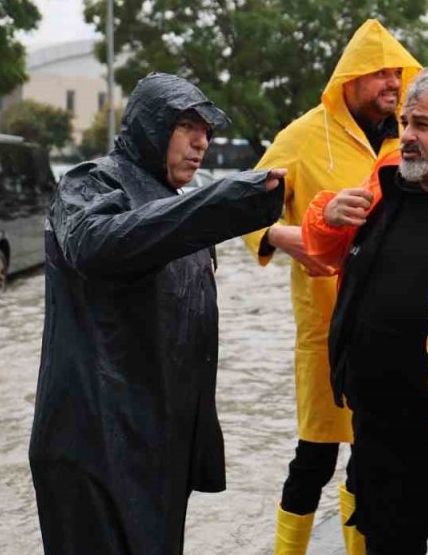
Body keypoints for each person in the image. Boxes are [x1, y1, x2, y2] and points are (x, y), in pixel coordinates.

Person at [29, 73, 286, 555]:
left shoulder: (173, 201)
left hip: (155, 446)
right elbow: (96, 244)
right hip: (92, 448)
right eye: (186, 126)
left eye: (206, 131)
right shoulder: (89, 182)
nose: (201, 142)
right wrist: (224, 203)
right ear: (150, 125)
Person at [242, 19, 423, 555]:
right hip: (326, 326)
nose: (392, 83)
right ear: (349, 79)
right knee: (315, 456)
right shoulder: (300, 137)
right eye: (380, 74)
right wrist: (280, 235)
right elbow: (245, 206)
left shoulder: (407, 139)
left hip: (394, 329)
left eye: (397, 73)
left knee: (370, 457)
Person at [302, 71, 428, 555]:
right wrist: (325, 217)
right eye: (404, 122)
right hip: (382, 428)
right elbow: (323, 253)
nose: (406, 135)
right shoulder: (387, 179)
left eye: (423, 125)